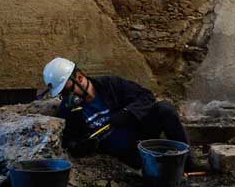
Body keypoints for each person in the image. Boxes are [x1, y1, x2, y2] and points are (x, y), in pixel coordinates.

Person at [42, 57, 192, 169]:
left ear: (80, 78)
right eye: (64, 94)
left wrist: (128, 112)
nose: (69, 97)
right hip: (121, 152)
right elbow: (69, 140)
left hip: (139, 132)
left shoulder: (111, 85)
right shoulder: (68, 109)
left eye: (69, 91)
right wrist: (80, 146)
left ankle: (188, 161)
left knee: (164, 108)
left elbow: (146, 96)